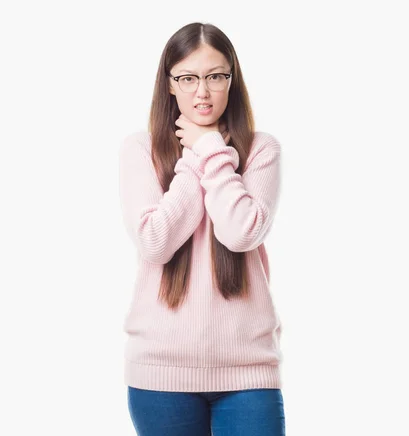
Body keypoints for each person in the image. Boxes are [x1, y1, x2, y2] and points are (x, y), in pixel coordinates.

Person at [117, 22, 285, 436]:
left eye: (215, 76)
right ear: (170, 84)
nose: (202, 92)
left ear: (232, 79)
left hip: (248, 372)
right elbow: (155, 241)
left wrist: (210, 147)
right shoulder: (141, 150)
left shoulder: (261, 149)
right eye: (188, 78)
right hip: (161, 374)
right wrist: (197, 154)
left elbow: (241, 232)